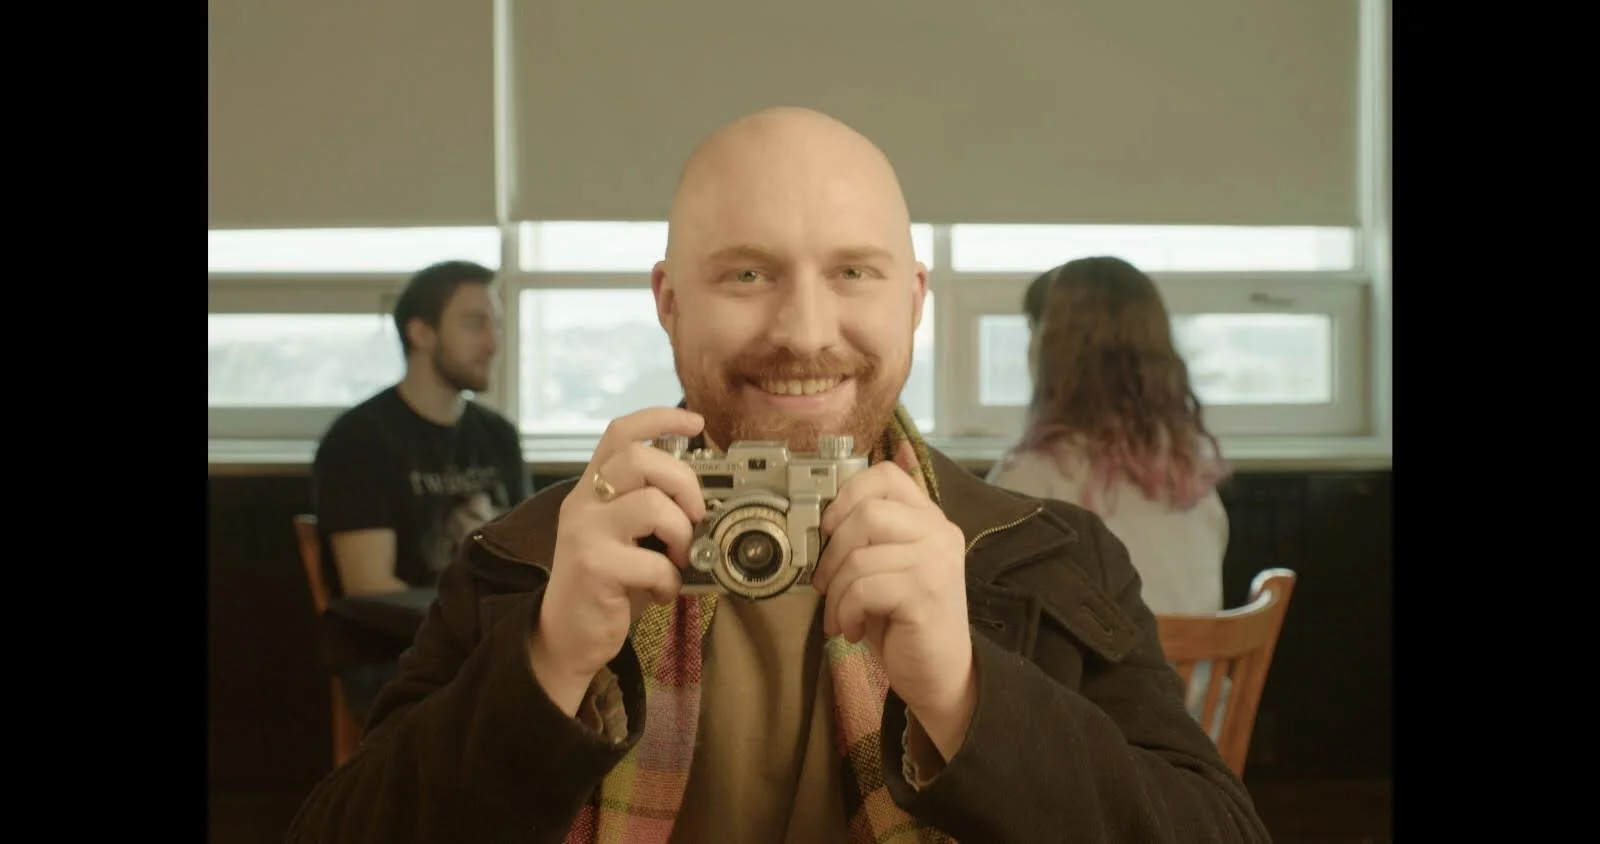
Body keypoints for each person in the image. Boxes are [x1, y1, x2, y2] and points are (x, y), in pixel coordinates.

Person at [286, 107, 1270, 843]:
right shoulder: (524, 563)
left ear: (913, 302)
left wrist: (971, 696)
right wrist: (543, 665)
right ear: (670, 303)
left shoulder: (1053, 560)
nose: (804, 332)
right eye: (747, 274)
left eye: (854, 272)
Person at [985, 257, 1234, 737]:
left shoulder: (1031, 481)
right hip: (1199, 742)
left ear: (1049, 347)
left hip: (1098, 751)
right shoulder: (1195, 481)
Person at [309, 259, 529, 723]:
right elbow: (371, 588)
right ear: (421, 332)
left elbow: (526, 562)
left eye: (497, 326)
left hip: (489, 647)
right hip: (392, 658)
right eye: (474, 324)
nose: (493, 343)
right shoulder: (361, 439)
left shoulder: (498, 436)